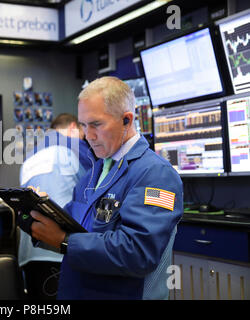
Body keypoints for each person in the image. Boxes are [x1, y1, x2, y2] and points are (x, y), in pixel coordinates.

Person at [26, 76, 183, 299]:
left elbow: (138, 253)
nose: (88, 136)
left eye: (96, 124)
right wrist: (42, 212)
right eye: (83, 125)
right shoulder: (94, 172)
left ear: (126, 121)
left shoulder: (155, 174)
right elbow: (72, 225)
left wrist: (65, 240)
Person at [18, 113, 94, 299]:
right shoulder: (77, 147)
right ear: (73, 128)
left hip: (30, 250)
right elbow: (98, 188)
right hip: (62, 248)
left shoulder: (31, 155)